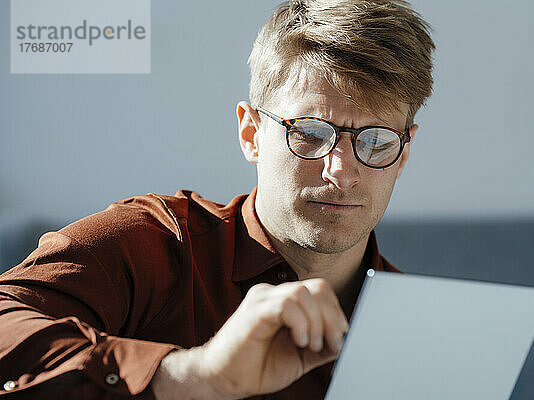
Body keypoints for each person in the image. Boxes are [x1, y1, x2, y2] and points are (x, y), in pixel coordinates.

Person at [0, 0, 434, 398]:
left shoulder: (426, 331)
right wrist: (195, 377)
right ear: (251, 134)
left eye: (376, 140)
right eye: (310, 132)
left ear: (404, 153)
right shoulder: (155, 243)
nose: (340, 170)